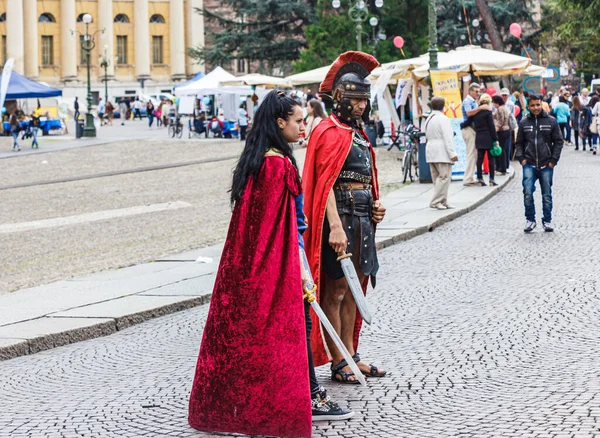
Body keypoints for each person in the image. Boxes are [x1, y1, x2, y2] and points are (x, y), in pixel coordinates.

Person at [187, 90, 352, 438]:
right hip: (280, 265)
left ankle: (300, 395)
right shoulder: (277, 165)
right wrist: (302, 270)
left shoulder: (260, 159)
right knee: (295, 329)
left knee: (272, 333)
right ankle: (307, 397)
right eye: (297, 121)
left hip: (259, 266)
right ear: (280, 123)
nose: (303, 126)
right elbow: (289, 225)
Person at [303, 51, 387, 384]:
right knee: (335, 291)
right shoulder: (326, 131)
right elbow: (324, 185)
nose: (361, 106)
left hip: (362, 217)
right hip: (339, 220)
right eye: (355, 100)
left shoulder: (357, 133)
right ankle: (338, 361)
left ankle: (352, 355)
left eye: (363, 100)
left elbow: (366, 177)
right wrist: (334, 227)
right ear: (339, 99)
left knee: (355, 291)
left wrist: (376, 206)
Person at [515, 94, 564, 233]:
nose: (536, 108)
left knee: (547, 194)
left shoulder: (551, 121)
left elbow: (558, 142)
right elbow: (519, 143)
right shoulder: (524, 123)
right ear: (528, 106)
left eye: (538, 104)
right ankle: (530, 220)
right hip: (529, 164)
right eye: (532, 105)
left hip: (546, 164)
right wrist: (522, 159)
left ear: (541, 104)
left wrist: (553, 161)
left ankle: (547, 220)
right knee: (528, 192)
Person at [424, 96, 458, 210]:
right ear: (443, 106)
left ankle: (443, 200)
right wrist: (452, 153)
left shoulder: (429, 118)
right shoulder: (443, 119)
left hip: (431, 150)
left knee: (437, 178)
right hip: (441, 150)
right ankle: (436, 201)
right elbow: (447, 137)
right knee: (444, 177)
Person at [463, 93, 498, 186]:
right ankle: (491, 179)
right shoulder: (488, 112)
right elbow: (491, 126)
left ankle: (480, 179)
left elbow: (468, 121)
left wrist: (461, 126)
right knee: (491, 159)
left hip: (479, 137)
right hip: (488, 138)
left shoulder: (476, 112)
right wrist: (496, 139)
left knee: (480, 159)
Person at [492, 95, 511, 175]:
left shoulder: (500, 109)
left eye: (493, 102)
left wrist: (495, 131)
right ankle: (502, 168)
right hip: (507, 131)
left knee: (500, 150)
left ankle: (502, 169)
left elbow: (500, 121)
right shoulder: (505, 107)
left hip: (502, 131)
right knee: (503, 150)